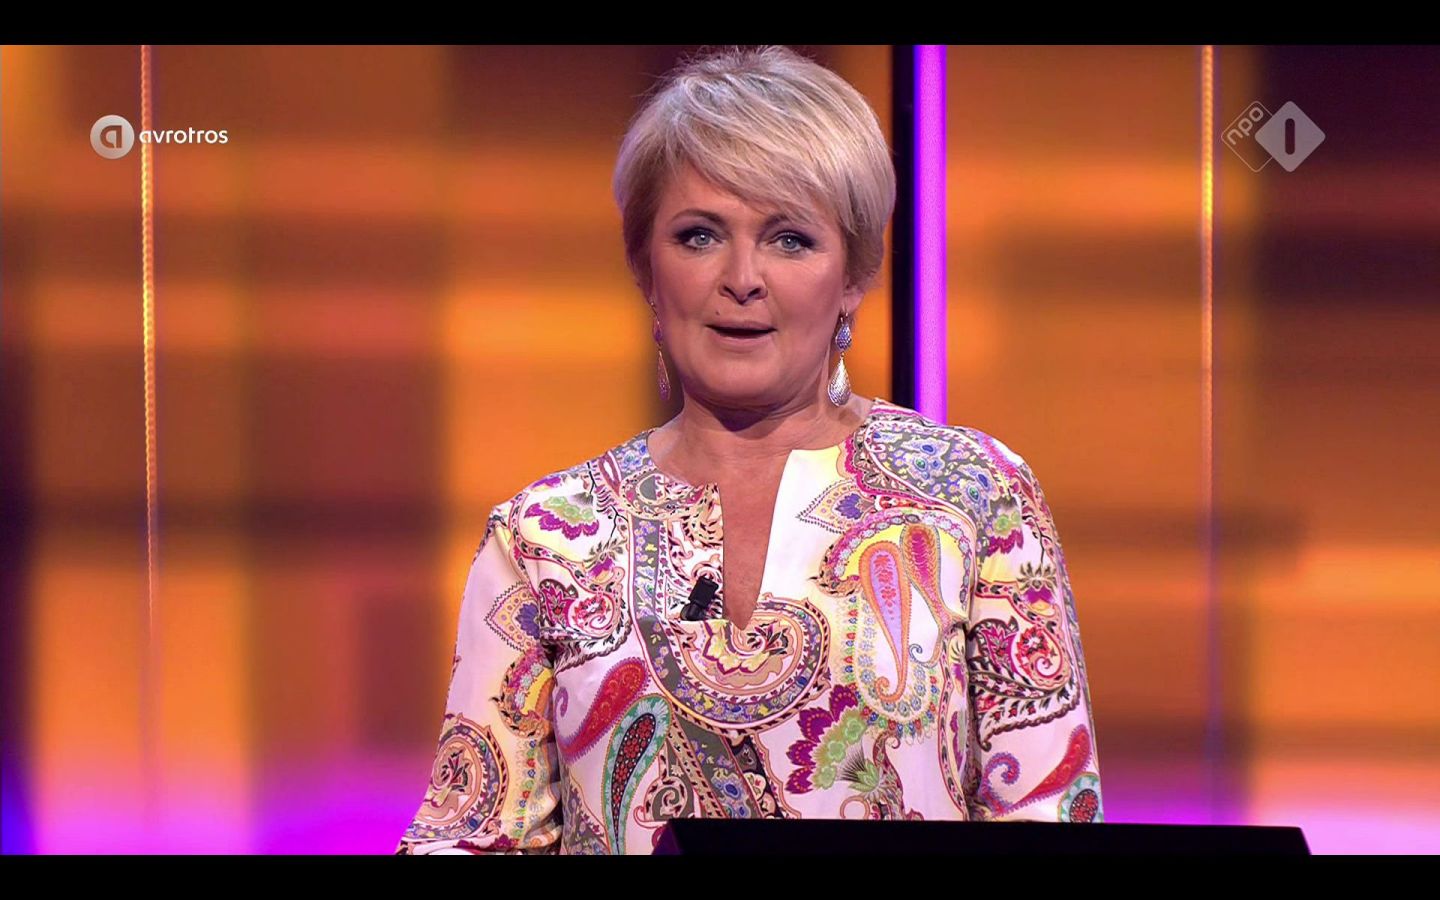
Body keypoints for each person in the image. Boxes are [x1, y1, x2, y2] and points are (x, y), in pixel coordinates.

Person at [393, 45, 1103, 856]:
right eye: (699, 236)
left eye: (790, 240)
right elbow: (469, 832)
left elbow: (1051, 816)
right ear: (644, 266)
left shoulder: (975, 495)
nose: (742, 278)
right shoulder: (546, 535)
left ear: (854, 275)